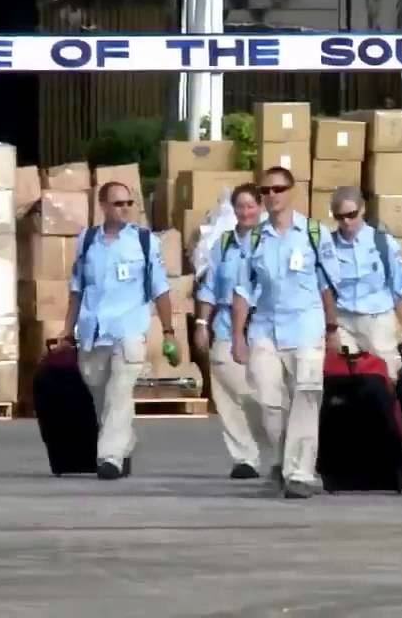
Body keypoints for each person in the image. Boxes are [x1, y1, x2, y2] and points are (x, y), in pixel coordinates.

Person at [230, 166, 341, 499]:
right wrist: (237, 336)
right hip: (265, 328)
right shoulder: (254, 238)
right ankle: (282, 461)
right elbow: (242, 289)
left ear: (291, 192)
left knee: (306, 396)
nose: (272, 195)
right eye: (266, 190)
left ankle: (300, 473)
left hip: (306, 326)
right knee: (268, 402)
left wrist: (333, 328)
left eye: (278, 189)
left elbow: (327, 286)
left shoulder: (313, 233)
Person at [62, 181, 177, 481]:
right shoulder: (86, 241)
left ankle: (109, 458)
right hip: (92, 329)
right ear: (103, 206)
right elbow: (76, 288)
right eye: (118, 204)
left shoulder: (144, 241)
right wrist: (66, 329)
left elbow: (160, 289)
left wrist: (168, 331)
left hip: (128, 329)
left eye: (129, 203)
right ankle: (123, 444)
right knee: (100, 393)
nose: (125, 208)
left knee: (119, 392)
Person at [193, 183, 266, 480]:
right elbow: (209, 287)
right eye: (241, 206)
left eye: (251, 206)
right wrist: (201, 324)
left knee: (259, 394)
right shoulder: (223, 244)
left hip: (261, 325)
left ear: (260, 208)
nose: (246, 212)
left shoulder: (269, 240)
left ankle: (280, 448)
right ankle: (244, 457)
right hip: (224, 323)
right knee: (226, 393)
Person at [328, 186, 402, 377]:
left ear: (363, 209)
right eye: (339, 217)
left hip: (377, 320)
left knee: (385, 376)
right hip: (343, 320)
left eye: (351, 214)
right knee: (346, 378)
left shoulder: (382, 242)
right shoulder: (328, 245)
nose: (346, 221)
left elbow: (397, 288)